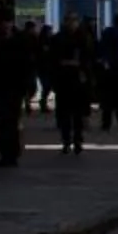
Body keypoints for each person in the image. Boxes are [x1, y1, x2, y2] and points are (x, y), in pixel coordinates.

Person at [0, 6, 40, 169]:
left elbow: (29, 63)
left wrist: (29, 86)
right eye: (1, 23)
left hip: (16, 86)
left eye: (6, 22)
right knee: (2, 120)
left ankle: (12, 153)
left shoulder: (21, 38)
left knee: (12, 120)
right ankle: (4, 153)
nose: (4, 26)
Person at [47, 19, 95, 153]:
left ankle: (77, 140)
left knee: (77, 114)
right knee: (65, 114)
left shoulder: (83, 38)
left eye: (74, 21)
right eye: (70, 21)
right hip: (64, 81)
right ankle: (67, 140)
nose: (73, 24)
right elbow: (52, 60)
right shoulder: (58, 39)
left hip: (77, 81)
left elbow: (88, 59)